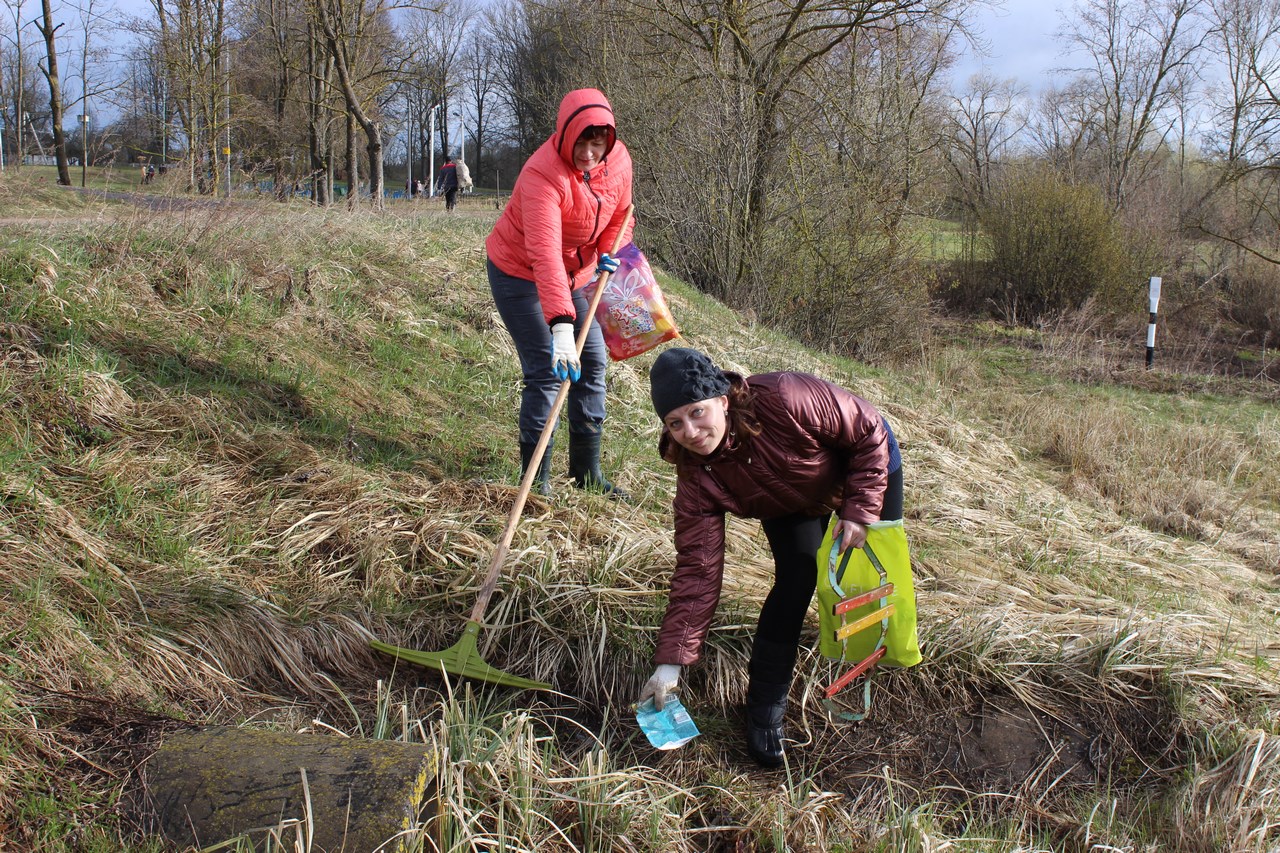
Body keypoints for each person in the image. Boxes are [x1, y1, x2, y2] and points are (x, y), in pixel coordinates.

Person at [637, 347, 905, 768]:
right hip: (787, 501)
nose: (690, 431)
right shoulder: (696, 478)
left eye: (697, 412)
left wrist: (859, 510)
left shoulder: (785, 397)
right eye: (675, 423)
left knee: (871, 575)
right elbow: (698, 571)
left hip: (865, 465)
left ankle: (875, 665)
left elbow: (867, 429)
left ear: (722, 400)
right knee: (797, 580)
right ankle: (764, 709)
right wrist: (671, 663)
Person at [485, 88, 633, 499]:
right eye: (580, 143)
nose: (588, 153)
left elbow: (621, 216)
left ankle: (586, 473)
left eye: (597, 144)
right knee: (549, 372)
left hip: (576, 275)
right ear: (565, 136)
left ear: (609, 141)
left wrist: (609, 252)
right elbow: (545, 254)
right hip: (520, 274)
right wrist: (561, 327)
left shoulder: (620, 161)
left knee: (594, 361)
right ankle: (536, 484)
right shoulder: (542, 174)